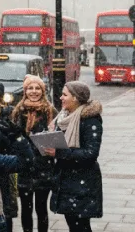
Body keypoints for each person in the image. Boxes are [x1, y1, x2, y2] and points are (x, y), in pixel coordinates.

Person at [45, 82, 103, 232]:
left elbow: (91, 153)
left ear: (76, 98)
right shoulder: (63, 117)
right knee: (73, 223)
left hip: (82, 181)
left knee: (81, 226)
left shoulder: (90, 119)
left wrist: (59, 153)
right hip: (66, 178)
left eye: (65, 95)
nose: (61, 97)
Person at [10, 75, 57, 232]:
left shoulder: (50, 110)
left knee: (42, 208)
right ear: (25, 91)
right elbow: (14, 138)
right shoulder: (18, 111)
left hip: (44, 166)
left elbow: (57, 137)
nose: (34, 91)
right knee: (26, 208)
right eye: (30, 88)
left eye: (37, 88)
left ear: (43, 91)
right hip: (25, 167)